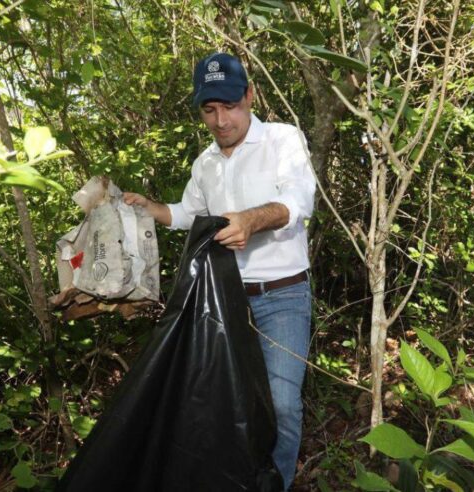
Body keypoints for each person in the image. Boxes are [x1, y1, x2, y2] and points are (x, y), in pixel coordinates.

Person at [124, 52, 316, 489]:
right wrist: (150, 207)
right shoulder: (205, 163)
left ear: (249, 95)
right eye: (210, 110)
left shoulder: (282, 140)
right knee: (222, 406)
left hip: (281, 297)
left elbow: (298, 201)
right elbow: (189, 212)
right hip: (223, 299)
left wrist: (250, 219)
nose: (221, 120)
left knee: (282, 406)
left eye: (230, 106)